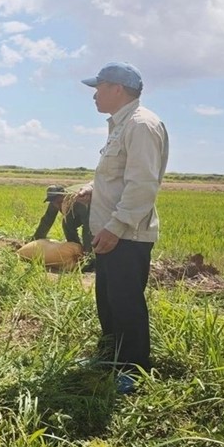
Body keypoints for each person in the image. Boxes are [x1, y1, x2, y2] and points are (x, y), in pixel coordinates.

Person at [78, 62, 168, 393]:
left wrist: (116, 226)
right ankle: (109, 357)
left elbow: (142, 185)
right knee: (108, 299)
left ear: (117, 89)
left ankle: (133, 370)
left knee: (126, 301)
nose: (94, 96)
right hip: (111, 231)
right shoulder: (121, 125)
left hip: (127, 234)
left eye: (98, 88)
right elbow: (116, 175)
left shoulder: (141, 125)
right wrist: (92, 187)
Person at [33, 185, 94, 260]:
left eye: (59, 201)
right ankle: (76, 249)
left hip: (92, 215)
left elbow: (87, 226)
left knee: (88, 234)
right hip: (75, 216)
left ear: (64, 195)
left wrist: (87, 250)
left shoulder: (78, 201)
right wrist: (36, 239)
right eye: (54, 202)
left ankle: (89, 254)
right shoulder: (54, 204)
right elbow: (47, 220)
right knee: (66, 224)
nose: (58, 205)